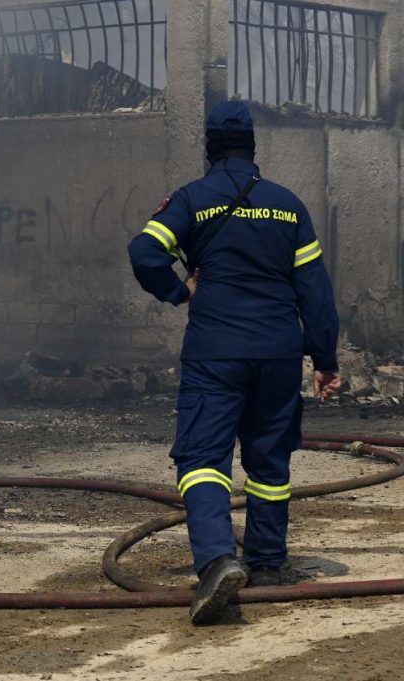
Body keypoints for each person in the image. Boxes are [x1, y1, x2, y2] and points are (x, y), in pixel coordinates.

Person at [127, 101, 340, 625]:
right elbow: (315, 292)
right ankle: (267, 561)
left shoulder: (191, 199)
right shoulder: (288, 207)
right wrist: (325, 358)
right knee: (269, 460)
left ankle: (219, 561)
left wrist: (179, 293)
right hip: (277, 352)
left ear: (208, 146)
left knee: (202, 458)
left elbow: (144, 252)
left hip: (216, 352)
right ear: (252, 146)